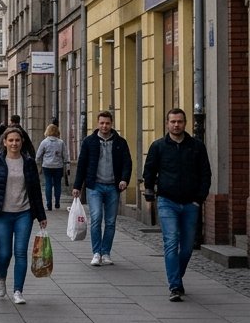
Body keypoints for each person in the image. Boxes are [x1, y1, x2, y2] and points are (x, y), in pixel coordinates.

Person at [141, 108, 212, 302]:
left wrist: (200, 199)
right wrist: (149, 191)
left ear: (185, 123)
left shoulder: (196, 146)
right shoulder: (158, 146)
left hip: (191, 203)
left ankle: (176, 276)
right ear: (167, 123)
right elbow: (149, 171)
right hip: (167, 201)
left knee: (187, 247)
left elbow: (205, 173)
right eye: (172, 121)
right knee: (171, 242)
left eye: (179, 121)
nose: (176, 125)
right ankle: (174, 285)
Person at [0, 126, 47, 305]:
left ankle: (18, 291)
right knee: (5, 254)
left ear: (22, 142)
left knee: (21, 253)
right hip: (2, 214)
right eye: (11, 140)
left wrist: (41, 215)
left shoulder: (29, 162)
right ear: (5, 142)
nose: (14, 143)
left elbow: (35, 190)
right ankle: (2, 278)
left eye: (17, 140)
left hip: (24, 213)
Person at [72, 110, 133, 266]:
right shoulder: (89, 142)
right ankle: (96, 253)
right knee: (97, 218)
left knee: (111, 222)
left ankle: (106, 252)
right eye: (102, 123)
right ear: (97, 124)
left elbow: (127, 163)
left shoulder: (120, 142)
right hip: (95, 186)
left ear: (111, 124)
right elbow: (82, 165)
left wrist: (125, 179)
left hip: (113, 186)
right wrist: (77, 186)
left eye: (107, 123)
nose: (104, 126)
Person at [35, 124, 69, 211]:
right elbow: (65, 155)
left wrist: (38, 163)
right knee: (58, 184)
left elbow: (38, 155)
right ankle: (57, 202)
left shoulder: (44, 142)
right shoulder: (61, 142)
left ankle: (49, 203)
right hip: (58, 166)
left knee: (48, 184)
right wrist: (66, 163)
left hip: (47, 166)